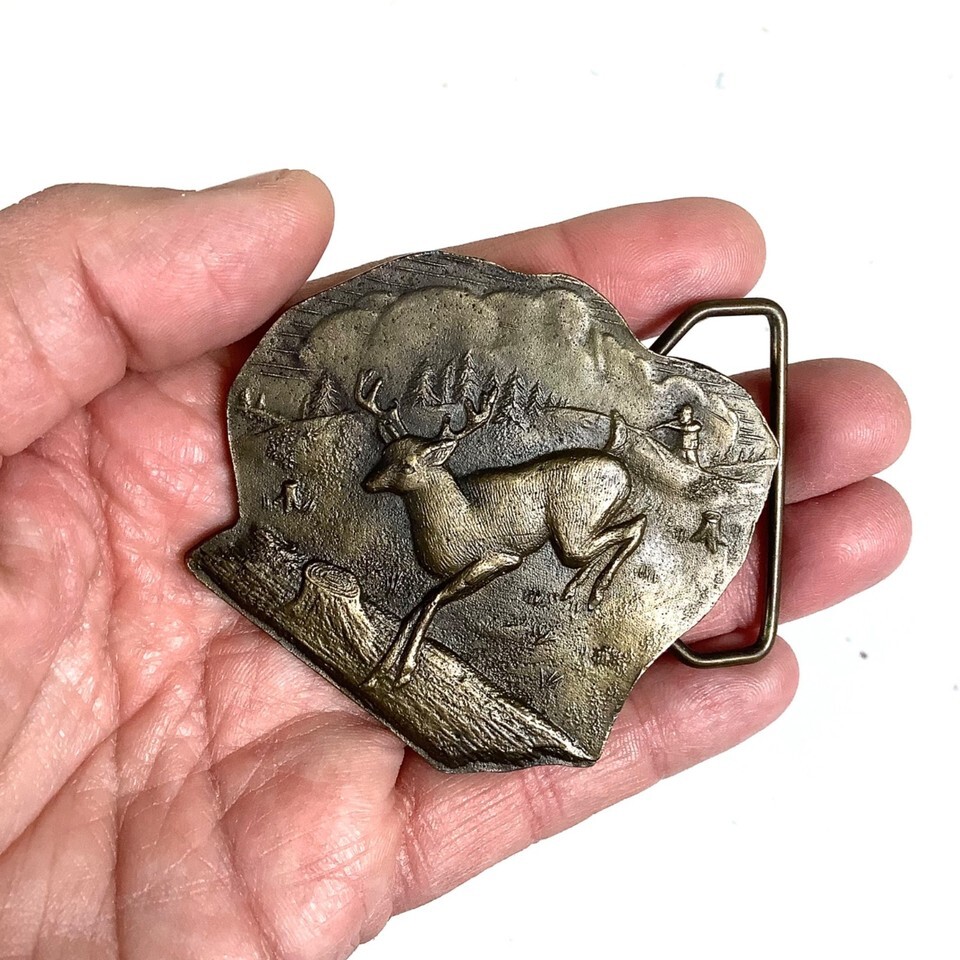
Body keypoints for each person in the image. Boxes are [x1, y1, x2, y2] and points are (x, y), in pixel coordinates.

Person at [0, 172, 911, 958]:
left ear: (424, 469)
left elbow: (476, 557)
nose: (388, 478)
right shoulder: (432, 500)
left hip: (555, 505)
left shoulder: (484, 498)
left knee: (569, 547)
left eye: (402, 470)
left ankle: (612, 548)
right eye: (399, 469)